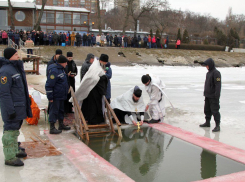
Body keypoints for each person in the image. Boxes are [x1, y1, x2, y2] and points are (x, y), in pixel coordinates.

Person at [0, 48, 32, 166]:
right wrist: (10, 110)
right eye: (15, 54)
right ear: (10, 56)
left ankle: (14, 150)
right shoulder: (5, 71)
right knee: (10, 131)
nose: (18, 55)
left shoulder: (14, 68)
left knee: (15, 130)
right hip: (12, 107)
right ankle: (9, 157)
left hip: (19, 105)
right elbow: (4, 93)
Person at [74, 54, 108, 125]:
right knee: (93, 105)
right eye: (105, 62)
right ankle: (92, 119)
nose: (106, 64)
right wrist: (103, 77)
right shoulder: (95, 66)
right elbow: (93, 78)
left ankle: (91, 118)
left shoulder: (97, 65)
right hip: (92, 89)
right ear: (102, 61)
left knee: (92, 105)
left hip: (94, 88)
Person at [45, 55, 70, 134]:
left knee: (61, 110)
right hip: (55, 95)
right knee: (54, 111)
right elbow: (49, 85)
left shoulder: (62, 69)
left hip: (61, 94)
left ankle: (61, 124)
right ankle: (52, 127)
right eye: (65, 62)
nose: (66, 64)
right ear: (62, 63)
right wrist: (50, 97)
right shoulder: (54, 71)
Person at [199, 58, 221, 132]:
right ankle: (207, 122)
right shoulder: (208, 73)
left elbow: (218, 85)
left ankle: (217, 125)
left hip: (214, 96)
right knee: (207, 110)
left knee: (215, 111)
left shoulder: (216, 73)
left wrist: (216, 95)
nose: (206, 67)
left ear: (210, 65)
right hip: (207, 95)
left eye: (207, 65)